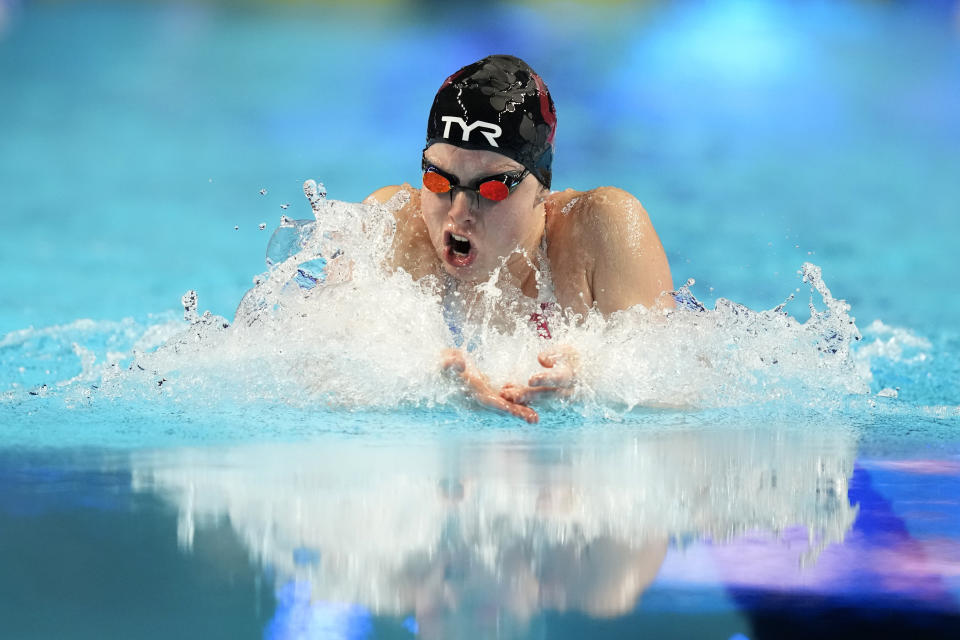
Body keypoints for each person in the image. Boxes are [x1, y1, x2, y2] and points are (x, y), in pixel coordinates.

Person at [365, 55, 673, 423]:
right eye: (438, 180)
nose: (460, 210)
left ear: (543, 186)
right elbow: (318, 366)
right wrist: (425, 379)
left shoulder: (599, 227)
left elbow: (681, 388)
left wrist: (594, 378)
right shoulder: (391, 225)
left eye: (493, 188)